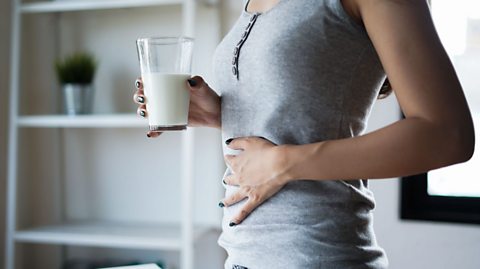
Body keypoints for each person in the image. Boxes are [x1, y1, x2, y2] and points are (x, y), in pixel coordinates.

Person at [133, 0, 475, 268]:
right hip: (241, 256)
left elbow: (448, 134)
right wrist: (220, 114)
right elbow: (298, 119)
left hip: (317, 254)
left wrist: (284, 162)